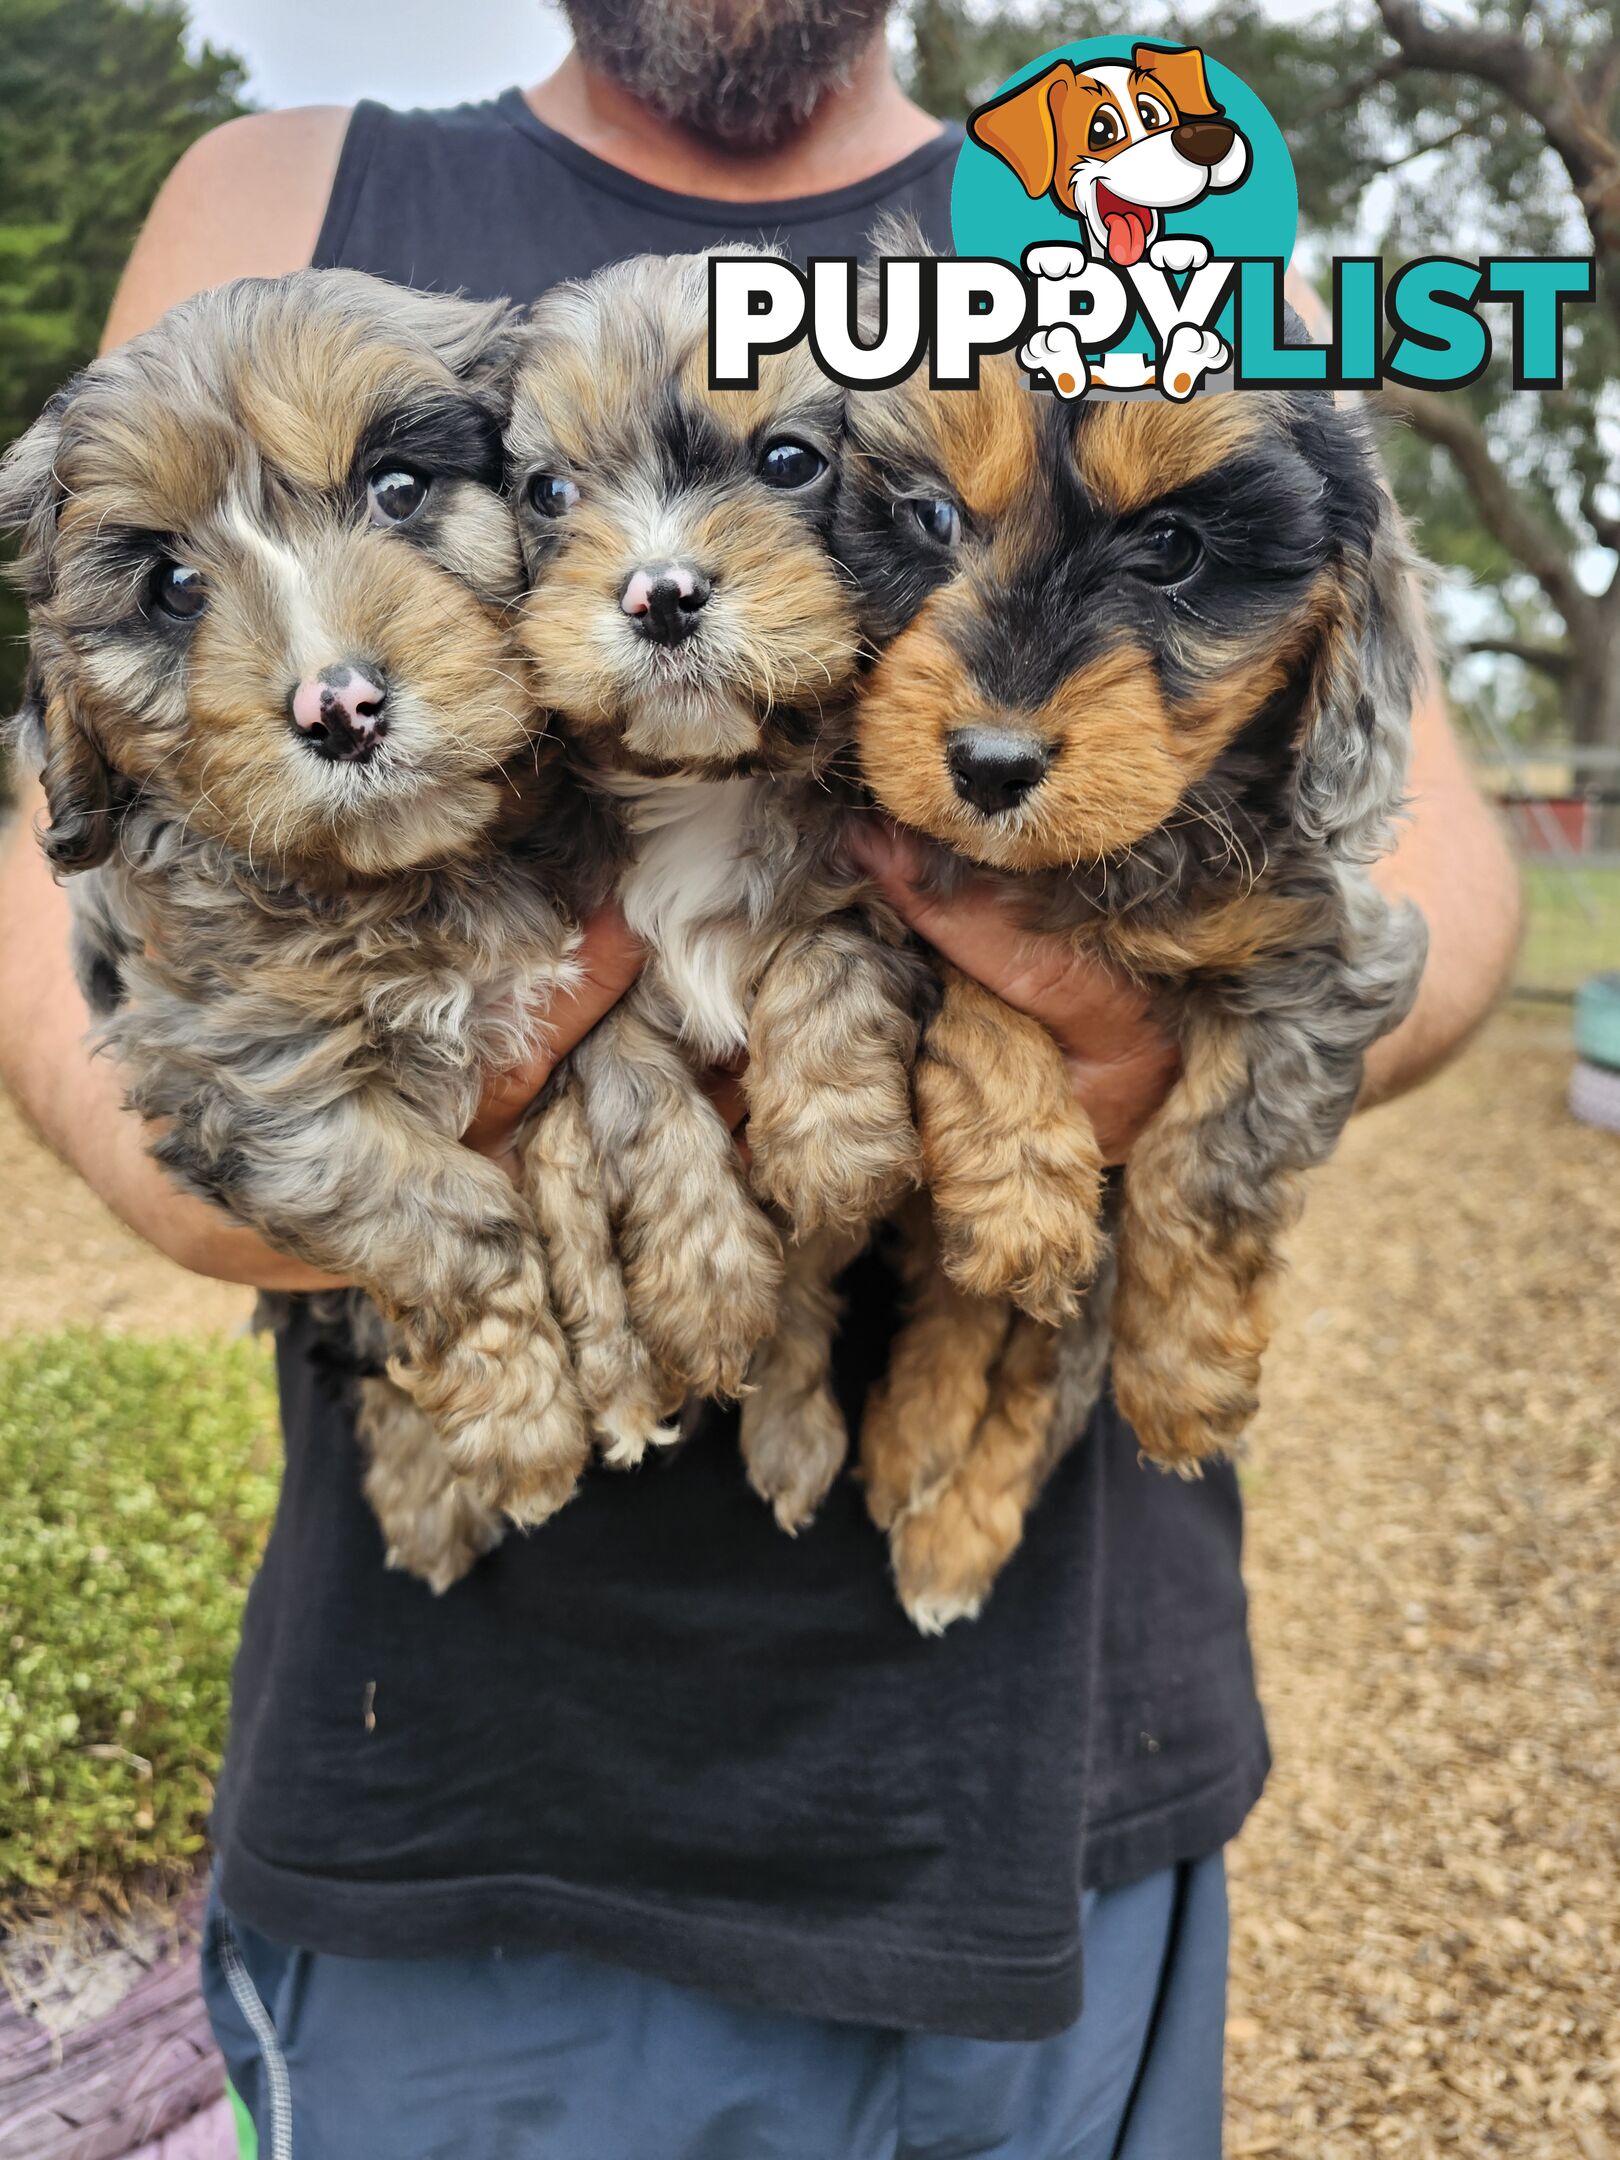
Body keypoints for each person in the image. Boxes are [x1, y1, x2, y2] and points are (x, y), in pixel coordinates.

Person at [0, 6, 1520, 2154]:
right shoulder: (293, 202)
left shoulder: (1113, 195)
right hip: (461, 1788)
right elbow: (79, 917)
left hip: (1041, 1766)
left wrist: (1107, 1031)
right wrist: (321, 1127)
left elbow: (1424, 862)